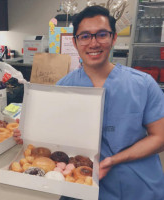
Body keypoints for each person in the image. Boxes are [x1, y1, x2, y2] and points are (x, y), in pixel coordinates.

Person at [14, 5, 164, 200]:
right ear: (75, 43)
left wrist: (114, 159)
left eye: (102, 34)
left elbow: (160, 137)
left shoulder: (142, 84)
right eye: (84, 36)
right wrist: (29, 134)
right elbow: (54, 133)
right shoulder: (62, 88)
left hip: (137, 184)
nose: (93, 43)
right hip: (79, 183)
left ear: (114, 38)